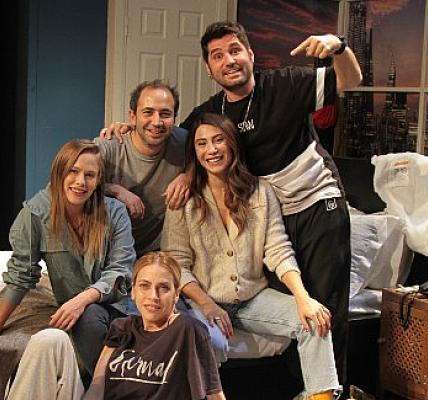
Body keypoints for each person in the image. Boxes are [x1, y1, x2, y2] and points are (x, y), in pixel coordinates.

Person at [103, 20, 361, 383]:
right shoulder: (211, 114)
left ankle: (331, 390)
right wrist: (127, 130)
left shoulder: (284, 84)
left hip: (316, 204)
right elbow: (163, 129)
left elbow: (350, 80)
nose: (229, 60)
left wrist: (339, 46)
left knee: (321, 308)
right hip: (267, 220)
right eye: (217, 55)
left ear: (251, 54)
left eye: (235, 50)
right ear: (209, 68)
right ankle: (289, 386)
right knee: (279, 308)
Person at [162, 113, 339, 400]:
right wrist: (207, 305)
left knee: (315, 322)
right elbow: (176, 263)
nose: (211, 150)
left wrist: (303, 297)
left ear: (232, 144)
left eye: (219, 140)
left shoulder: (260, 191)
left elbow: (278, 249)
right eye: (202, 144)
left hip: (253, 298)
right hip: (203, 300)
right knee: (205, 341)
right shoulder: (185, 199)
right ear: (194, 152)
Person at [0, 139, 136, 381]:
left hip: (119, 305)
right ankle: (109, 388)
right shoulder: (34, 215)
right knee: (88, 318)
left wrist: (81, 299)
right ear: (59, 172)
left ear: (99, 179)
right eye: (73, 171)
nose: (81, 182)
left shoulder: (115, 212)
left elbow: (121, 270)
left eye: (90, 175)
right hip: (85, 315)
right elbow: (21, 275)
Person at [6, 252, 225, 400]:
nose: (153, 296)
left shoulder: (188, 329)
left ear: (176, 295)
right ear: (133, 292)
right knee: (49, 339)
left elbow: (214, 393)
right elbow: (97, 388)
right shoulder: (122, 327)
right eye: (145, 286)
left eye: (164, 288)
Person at [95, 79, 190, 255]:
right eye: (148, 112)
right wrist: (114, 190)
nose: (157, 122)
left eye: (165, 114)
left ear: (174, 118)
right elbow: (65, 182)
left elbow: (217, 163)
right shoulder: (108, 146)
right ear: (133, 116)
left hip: (157, 254)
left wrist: (189, 176)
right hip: (106, 252)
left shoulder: (185, 142)